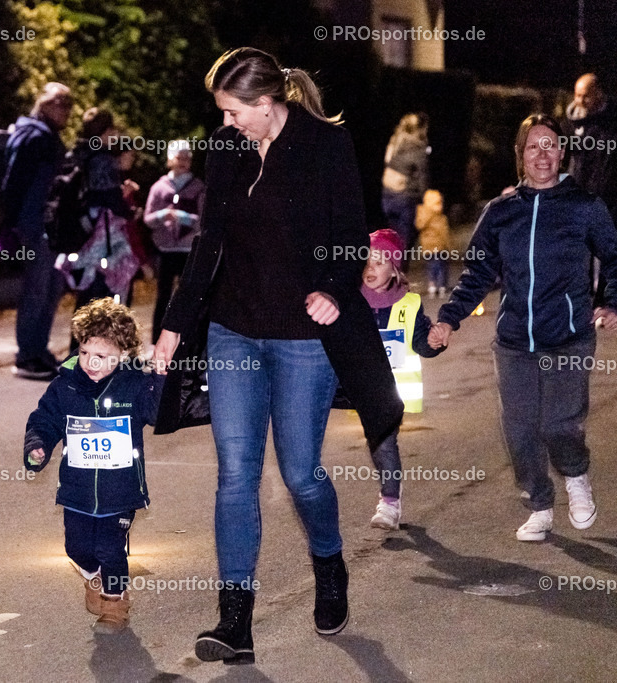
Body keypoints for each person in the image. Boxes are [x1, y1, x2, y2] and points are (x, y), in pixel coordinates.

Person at [152, 48, 403, 665]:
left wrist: (332, 290)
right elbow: (209, 243)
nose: (227, 124)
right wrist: (173, 328)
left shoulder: (326, 145)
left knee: (299, 473)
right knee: (236, 473)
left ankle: (329, 561)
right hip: (234, 330)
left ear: (268, 106)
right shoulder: (228, 148)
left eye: (236, 112)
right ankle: (234, 621)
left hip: (302, 339)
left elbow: (351, 237)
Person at [429, 114, 617, 542]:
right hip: (515, 340)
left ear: (563, 152)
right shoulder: (501, 212)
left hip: (569, 335)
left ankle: (576, 477)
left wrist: (615, 304)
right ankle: (540, 504)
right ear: (520, 155)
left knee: (559, 425)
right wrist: (448, 318)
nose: (543, 154)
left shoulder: (585, 206)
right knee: (520, 430)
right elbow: (477, 275)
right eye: (533, 146)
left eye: (551, 145)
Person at [23, 298, 164, 634]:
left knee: (109, 547)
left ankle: (116, 603)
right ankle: (92, 577)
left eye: (101, 356)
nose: (90, 362)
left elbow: (158, 413)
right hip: (77, 489)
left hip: (120, 490)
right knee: (77, 547)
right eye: (85, 352)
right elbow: (44, 420)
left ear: (122, 354)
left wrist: (160, 377)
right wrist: (37, 446)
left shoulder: (134, 383)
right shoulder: (66, 384)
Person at [359, 229, 444, 529]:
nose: (371, 268)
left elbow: (420, 342)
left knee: (384, 441)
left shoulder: (408, 304)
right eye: (367, 260)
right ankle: (389, 489)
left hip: (394, 391)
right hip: (359, 388)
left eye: (380, 262)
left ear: (394, 268)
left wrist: (434, 342)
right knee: (376, 442)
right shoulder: (351, 301)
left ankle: (389, 503)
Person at [2, 83, 74, 380]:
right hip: (35, 225)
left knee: (50, 287)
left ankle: (38, 350)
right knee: (37, 288)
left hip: (47, 225)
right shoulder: (34, 137)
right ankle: (27, 355)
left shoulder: (46, 137)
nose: (67, 111)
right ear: (45, 104)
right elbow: (14, 182)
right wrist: (14, 223)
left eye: (69, 105)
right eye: (62, 104)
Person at [57, 109, 142, 343]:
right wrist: (130, 212)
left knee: (85, 300)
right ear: (106, 131)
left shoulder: (77, 153)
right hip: (100, 239)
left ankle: (76, 354)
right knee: (100, 298)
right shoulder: (102, 159)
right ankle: (88, 357)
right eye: (112, 130)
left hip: (81, 233)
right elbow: (109, 198)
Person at [564, 74, 617, 302]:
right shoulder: (572, 123)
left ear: (598, 94)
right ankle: (584, 296)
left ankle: (604, 297)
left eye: (585, 96)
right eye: (577, 95)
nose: (580, 101)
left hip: (614, 199)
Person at [144, 141, 206, 343]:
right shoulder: (159, 187)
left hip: (188, 250)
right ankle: (157, 338)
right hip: (165, 250)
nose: (183, 162)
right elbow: (148, 219)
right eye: (179, 157)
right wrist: (163, 215)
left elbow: (204, 221)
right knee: (163, 295)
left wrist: (185, 218)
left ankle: (188, 337)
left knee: (188, 295)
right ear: (170, 159)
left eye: (187, 157)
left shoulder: (198, 188)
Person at [382, 113, 430, 254]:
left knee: (391, 239)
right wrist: (424, 200)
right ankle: (399, 272)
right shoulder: (418, 148)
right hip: (405, 199)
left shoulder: (395, 142)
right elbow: (423, 178)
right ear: (420, 129)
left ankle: (389, 271)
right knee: (404, 242)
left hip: (387, 196)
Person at [415, 189, 450, 297]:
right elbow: (419, 225)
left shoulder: (442, 217)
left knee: (441, 266)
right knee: (434, 266)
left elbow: (445, 232)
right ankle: (434, 284)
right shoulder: (424, 213)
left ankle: (441, 285)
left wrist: (448, 246)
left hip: (441, 246)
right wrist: (429, 213)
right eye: (437, 203)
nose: (440, 206)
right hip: (431, 246)